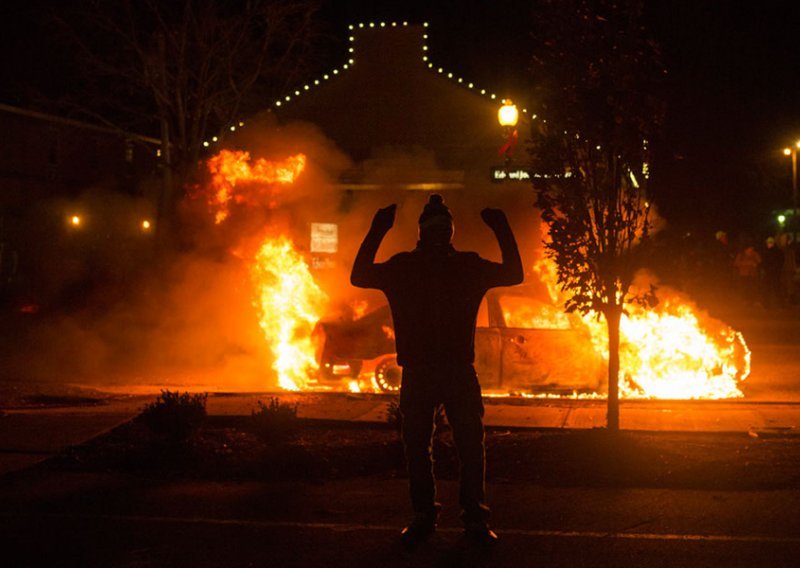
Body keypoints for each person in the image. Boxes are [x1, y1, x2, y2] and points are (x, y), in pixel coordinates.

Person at [350, 195, 523, 547]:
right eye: (436, 229)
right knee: (447, 446)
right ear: (430, 233)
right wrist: (501, 228)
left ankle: (441, 517)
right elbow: (513, 272)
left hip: (441, 371)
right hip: (438, 372)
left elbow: (360, 274)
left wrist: (377, 230)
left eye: (442, 229)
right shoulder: (460, 267)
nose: (439, 235)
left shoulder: (410, 268)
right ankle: (450, 517)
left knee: (443, 446)